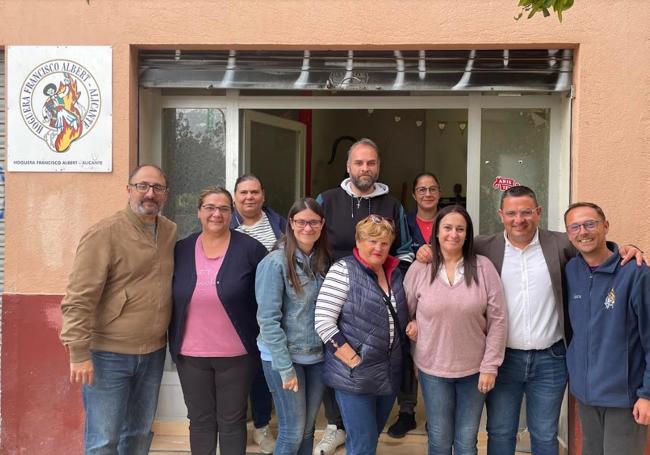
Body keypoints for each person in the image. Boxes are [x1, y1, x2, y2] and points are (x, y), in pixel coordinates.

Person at [415, 185, 646, 455]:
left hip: (552, 359)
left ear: (538, 213)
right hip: (505, 359)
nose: (519, 219)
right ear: (501, 215)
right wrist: (425, 251)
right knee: (500, 432)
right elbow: (450, 246)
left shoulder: (560, 245)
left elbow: (595, 249)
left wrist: (629, 249)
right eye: (511, 213)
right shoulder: (484, 247)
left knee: (545, 434)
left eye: (526, 212)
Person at [59, 164, 177, 454]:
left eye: (157, 188)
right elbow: (78, 298)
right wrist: (78, 353)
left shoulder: (169, 232)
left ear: (165, 195)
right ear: (128, 190)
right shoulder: (104, 233)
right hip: (108, 356)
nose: (150, 193)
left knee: (138, 435)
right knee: (104, 439)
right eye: (142, 186)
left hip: (152, 353)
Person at [313, 137, 413, 455]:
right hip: (336, 291)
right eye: (359, 162)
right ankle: (336, 426)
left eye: (370, 162)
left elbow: (405, 250)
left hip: (381, 297)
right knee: (343, 372)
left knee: (368, 431)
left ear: (378, 166)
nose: (365, 168)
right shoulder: (327, 200)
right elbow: (309, 240)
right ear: (348, 167)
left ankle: (352, 431)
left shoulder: (392, 205)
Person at [169, 186, 267, 455]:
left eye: (224, 208)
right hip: (191, 354)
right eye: (210, 208)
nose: (216, 214)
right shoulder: (181, 249)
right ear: (199, 212)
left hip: (237, 354)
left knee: (232, 421)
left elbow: (269, 296)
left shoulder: (251, 249)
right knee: (199, 420)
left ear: (232, 213)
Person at [404, 205, 507, 454]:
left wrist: (490, 366)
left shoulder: (483, 267)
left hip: (474, 371)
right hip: (433, 370)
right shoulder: (420, 269)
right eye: (447, 228)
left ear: (467, 234)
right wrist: (413, 322)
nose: (454, 234)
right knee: (438, 439)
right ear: (436, 233)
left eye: (460, 229)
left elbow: (498, 319)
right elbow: (404, 311)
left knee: (466, 440)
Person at [564, 202, 650, 455]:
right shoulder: (571, 270)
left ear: (605, 226)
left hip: (624, 399)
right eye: (575, 227)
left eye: (590, 223)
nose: (583, 232)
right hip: (585, 396)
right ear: (569, 234)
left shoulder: (635, 273)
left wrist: (647, 394)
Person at [255, 197, 331, 455]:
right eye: (301, 221)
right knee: (292, 431)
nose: (307, 227)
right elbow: (267, 320)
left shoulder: (322, 262)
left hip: (316, 357)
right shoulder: (275, 262)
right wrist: (285, 368)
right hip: (284, 359)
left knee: (308, 429)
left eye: (313, 222)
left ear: (322, 224)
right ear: (291, 223)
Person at [230, 173, 285, 453]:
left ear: (263, 195)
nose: (249, 197)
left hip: (270, 309)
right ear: (235, 196)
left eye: (254, 192)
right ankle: (233, 428)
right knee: (236, 372)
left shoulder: (279, 224)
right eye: (243, 193)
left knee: (264, 371)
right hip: (234, 310)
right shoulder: (224, 224)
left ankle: (262, 427)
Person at [388, 171, 441, 437]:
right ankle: (406, 412)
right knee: (406, 354)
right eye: (422, 190)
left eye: (432, 189)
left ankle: (436, 415)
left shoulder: (449, 220)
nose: (427, 194)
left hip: (443, 299)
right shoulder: (404, 220)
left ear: (439, 193)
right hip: (407, 293)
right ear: (414, 194)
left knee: (437, 356)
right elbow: (394, 252)